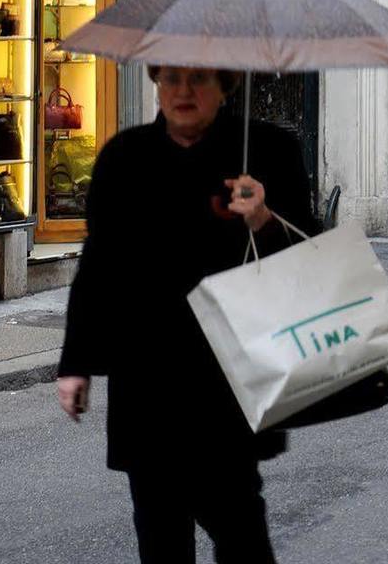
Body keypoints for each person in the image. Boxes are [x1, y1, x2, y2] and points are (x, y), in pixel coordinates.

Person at [56, 64, 319, 564]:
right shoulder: (124, 158)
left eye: (198, 78)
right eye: (170, 77)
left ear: (226, 86)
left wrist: (262, 220)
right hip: (148, 374)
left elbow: (306, 257)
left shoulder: (265, 151)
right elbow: (99, 264)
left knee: (240, 529)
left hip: (233, 373)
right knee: (159, 532)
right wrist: (76, 363)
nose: (182, 91)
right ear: (155, 81)